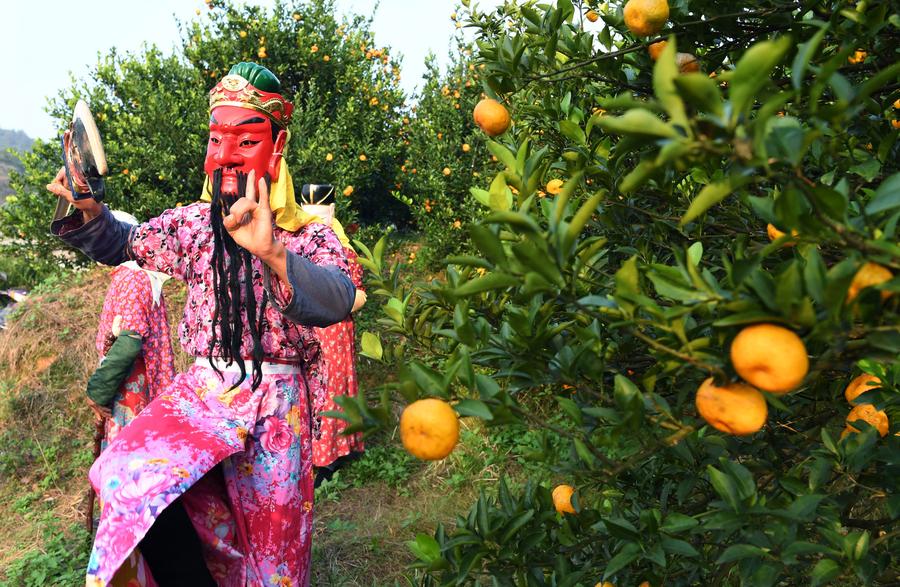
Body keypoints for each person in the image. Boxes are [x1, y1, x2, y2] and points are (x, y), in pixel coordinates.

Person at [47, 62, 355, 586]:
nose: (227, 154)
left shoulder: (309, 237)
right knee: (125, 476)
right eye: (217, 139)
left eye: (246, 139)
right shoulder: (194, 226)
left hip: (280, 407)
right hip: (205, 391)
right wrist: (90, 209)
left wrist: (275, 253)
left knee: (273, 558)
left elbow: (338, 299)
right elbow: (123, 242)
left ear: (277, 149)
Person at [298, 185, 366, 485]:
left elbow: (359, 294)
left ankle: (333, 454)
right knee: (312, 388)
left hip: (334, 328)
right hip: (305, 327)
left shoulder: (342, 248)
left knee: (334, 386)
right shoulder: (295, 245)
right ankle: (317, 452)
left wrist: (335, 298)